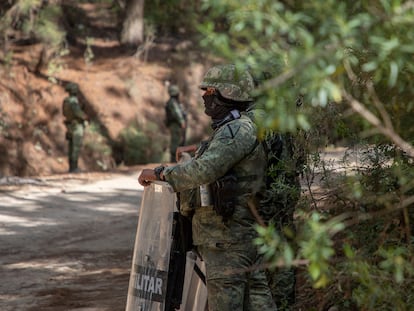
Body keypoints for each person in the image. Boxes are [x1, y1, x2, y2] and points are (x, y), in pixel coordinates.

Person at [139, 64, 276, 311]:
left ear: (228, 94)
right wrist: (199, 148)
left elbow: (204, 170)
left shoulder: (237, 129)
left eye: (210, 90)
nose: (204, 95)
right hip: (243, 236)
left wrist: (160, 174)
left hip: (227, 241)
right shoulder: (245, 125)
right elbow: (223, 153)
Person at [62, 82, 87, 173]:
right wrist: (85, 116)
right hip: (76, 126)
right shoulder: (73, 101)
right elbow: (78, 113)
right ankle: (74, 167)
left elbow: (64, 113)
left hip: (69, 125)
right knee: (76, 147)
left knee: (71, 146)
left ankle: (71, 167)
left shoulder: (66, 101)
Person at [165, 84, 187, 163]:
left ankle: (176, 159)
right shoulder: (173, 102)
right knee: (176, 142)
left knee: (178, 141)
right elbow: (177, 113)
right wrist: (182, 121)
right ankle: (174, 160)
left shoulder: (173, 102)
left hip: (175, 125)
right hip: (175, 125)